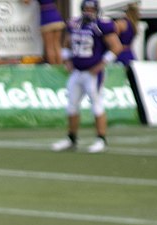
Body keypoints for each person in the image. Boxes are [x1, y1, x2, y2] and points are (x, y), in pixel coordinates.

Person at [51, 0, 123, 154]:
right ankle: (72, 138)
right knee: (71, 105)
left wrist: (102, 64)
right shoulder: (75, 24)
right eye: (86, 8)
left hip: (93, 73)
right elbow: (66, 43)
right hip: (77, 72)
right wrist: (67, 60)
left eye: (92, 9)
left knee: (96, 104)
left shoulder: (101, 26)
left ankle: (101, 139)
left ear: (96, 10)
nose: (89, 11)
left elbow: (117, 47)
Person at [25, 0, 66, 65]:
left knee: (49, 46)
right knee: (57, 45)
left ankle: (53, 68)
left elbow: (26, 2)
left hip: (46, 17)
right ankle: (60, 67)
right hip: (56, 15)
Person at [114, 3, 139, 67]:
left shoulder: (120, 23)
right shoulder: (134, 25)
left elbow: (114, 39)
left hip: (120, 53)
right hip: (129, 53)